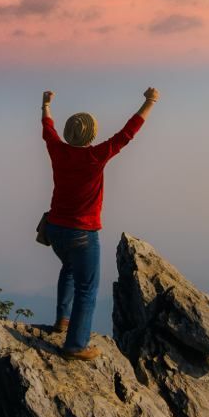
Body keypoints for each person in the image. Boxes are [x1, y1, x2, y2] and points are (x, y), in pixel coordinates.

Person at [40, 86, 159, 360]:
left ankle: (62, 320)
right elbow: (127, 133)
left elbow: (48, 130)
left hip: (55, 228)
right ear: (92, 135)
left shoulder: (58, 151)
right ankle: (75, 345)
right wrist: (150, 101)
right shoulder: (96, 156)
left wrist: (45, 104)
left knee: (68, 269)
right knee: (88, 289)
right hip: (82, 233)